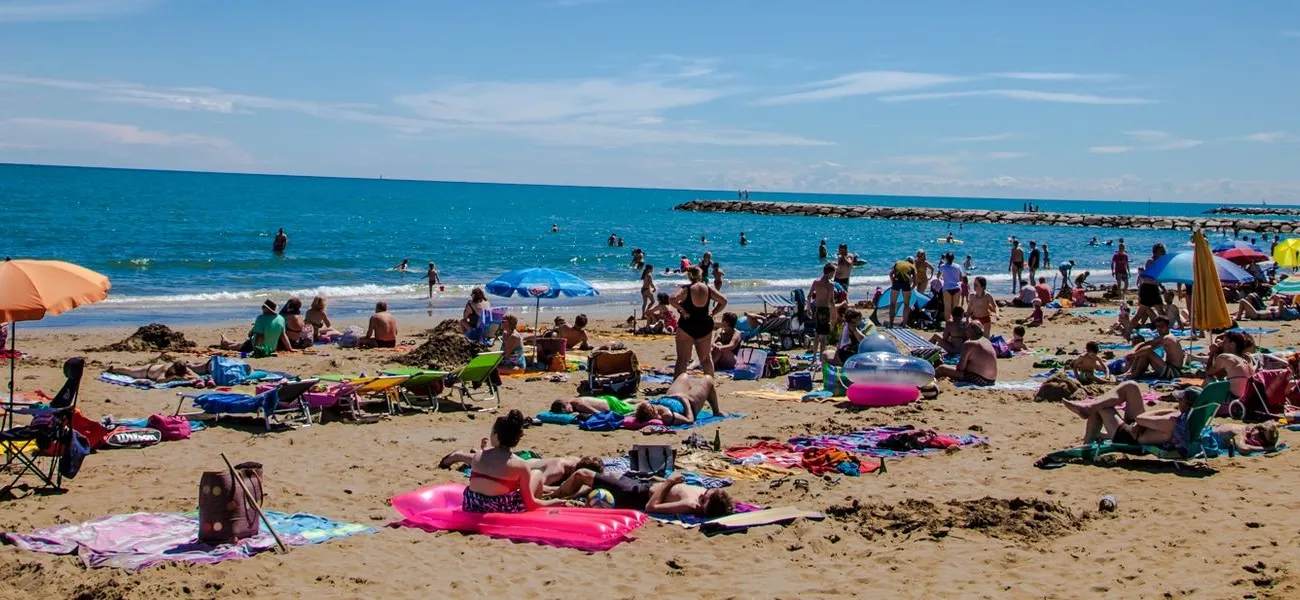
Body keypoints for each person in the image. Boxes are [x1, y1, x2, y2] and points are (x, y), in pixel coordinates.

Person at [462, 410, 574, 513]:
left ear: (496, 436)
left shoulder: (478, 456)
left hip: (472, 506)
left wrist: (485, 448)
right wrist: (553, 503)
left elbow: (491, 462)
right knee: (537, 474)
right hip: (500, 509)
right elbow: (530, 504)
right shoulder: (520, 465)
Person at [550, 469, 733, 517]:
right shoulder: (707, 493)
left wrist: (669, 482)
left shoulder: (690, 505)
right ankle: (556, 493)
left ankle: (551, 498)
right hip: (642, 484)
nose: (701, 496)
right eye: (705, 494)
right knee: (605, 477)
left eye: (703, 501)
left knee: (582, 474)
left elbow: (651, 507)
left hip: (636, 493)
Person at [1062, 381, 1183, 445]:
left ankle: (1086, 444)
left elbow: (1141, 419)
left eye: (1181, 399)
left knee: (1101, 406)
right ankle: (1089, 409)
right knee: (1131, 386)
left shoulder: (1171, 421)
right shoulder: (1180, 417)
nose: (1178, 401)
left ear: (1187, 404)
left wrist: (1141, 423)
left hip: (1129, 437)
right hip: (1139, 429)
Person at [670, 267, 727, 377]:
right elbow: (723, 301)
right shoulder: (708, 289)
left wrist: (682, 310)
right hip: (704, 325)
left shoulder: (686, 289)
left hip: (688, 325)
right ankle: (710, 385)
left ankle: (678, 386)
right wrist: (713, 313)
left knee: (682, 359)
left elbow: (672, 299)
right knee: (706, 358)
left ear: (689, 275)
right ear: (701, 275)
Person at [631, 373, 722, 426]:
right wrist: (685, 400)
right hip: (689, 403)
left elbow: (637, 406)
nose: (652, 405)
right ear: (653, 412)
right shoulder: (667, 415)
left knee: (684, 376)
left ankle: (694, 390)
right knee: (708, 379)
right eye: (651, 406)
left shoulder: (654, 408)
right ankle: (716, 411)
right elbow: (689, 420)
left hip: (672, 397)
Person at [218, 300, 292, 357]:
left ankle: (225, 343)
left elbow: (260, 336)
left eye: (263, 307)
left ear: (266, 309)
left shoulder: (261, 318)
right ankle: (227, 341)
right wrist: (290, 348)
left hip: (261, 348)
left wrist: (257, 350)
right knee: (245, 342)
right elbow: (283, 335)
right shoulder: (281, 319)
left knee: (239, 346)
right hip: (272, 348)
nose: (262, 308)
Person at [1206, 331, 1255, 401]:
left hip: (1234, 400)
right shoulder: (1247, 357)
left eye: (1225, 342)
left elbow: (1209, 371)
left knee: (1209, 378)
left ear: (1232, 344)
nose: (1222, 344)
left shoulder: (1225, 357)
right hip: (1248, 398)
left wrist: (1212, 352)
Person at [1135, 243, 1167, 326]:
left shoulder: (1160, 262)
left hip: (1154, 288)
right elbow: (1150, 277)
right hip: (1148, 288)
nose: (1164, 252)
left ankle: (1164, 328)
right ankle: (1128, 331)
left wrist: (1162, 287)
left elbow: (1158, 278)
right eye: (1162, 251)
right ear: (1157, 252)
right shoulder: (1150, 261)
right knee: (1140, 313)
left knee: (1160, 310)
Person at [809, 263, 838, 353]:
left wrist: (809, 308)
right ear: (830, 272)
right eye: (833, 273)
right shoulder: (830, 285)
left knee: (817, 334)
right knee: (824, 336)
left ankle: (814, 357)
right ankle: (822, 358)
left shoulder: (816, 282)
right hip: (825, 311)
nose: (833, 275)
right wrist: (834, 314)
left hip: (817, 310)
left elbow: (809, 296)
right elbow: (831, 301)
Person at [106, 359, 205, 386]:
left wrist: (191, 378)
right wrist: (173, 377)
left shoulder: (184, 368)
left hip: (153, 369)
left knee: (129, 371)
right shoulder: (167, 369)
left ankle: (114, 369)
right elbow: (158, 381)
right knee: (129, 371)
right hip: (146, 371)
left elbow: (195, 375)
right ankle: (113, 369)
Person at [1212, 422, 1280, 455]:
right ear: (1256, 429)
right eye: (1261, 436)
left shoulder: (1247, 432)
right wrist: (1267, 448)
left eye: (1264, 442)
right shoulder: (1239, 431)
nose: (1260, 442)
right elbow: (1243, 449)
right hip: (1205, 439)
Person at [887, 257, 915, 329]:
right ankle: (904, 325)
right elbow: (915, 280)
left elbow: (890, 274)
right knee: (906, 304)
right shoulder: (912, 266)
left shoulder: (898, 262)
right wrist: (911, 288)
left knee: (893, 303)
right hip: (906, 283)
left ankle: (891, 324)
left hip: (896, 281)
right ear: (912, 262)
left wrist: (894, 283)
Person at [549, 396, 642, 417]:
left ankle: (644, 402)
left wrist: (579, 414)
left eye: (567, 410)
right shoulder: (571, 400)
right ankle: (630, 399)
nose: (569, 411)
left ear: (566, 404)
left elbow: (597, 413)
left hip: (611, 405)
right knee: (624, 403)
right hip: (605, 399)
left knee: (632, 408)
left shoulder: (579, 405)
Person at [937, 253, 963, 322]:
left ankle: (948, 325)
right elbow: (961, 278)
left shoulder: (942, 266)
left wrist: (944, 278)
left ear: (946, 258)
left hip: (947, 288)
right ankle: (956, 323)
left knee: (947, 307)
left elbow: (938, 276)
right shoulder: (957, 266)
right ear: (953, 258)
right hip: (956, 288)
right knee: (955, 308)